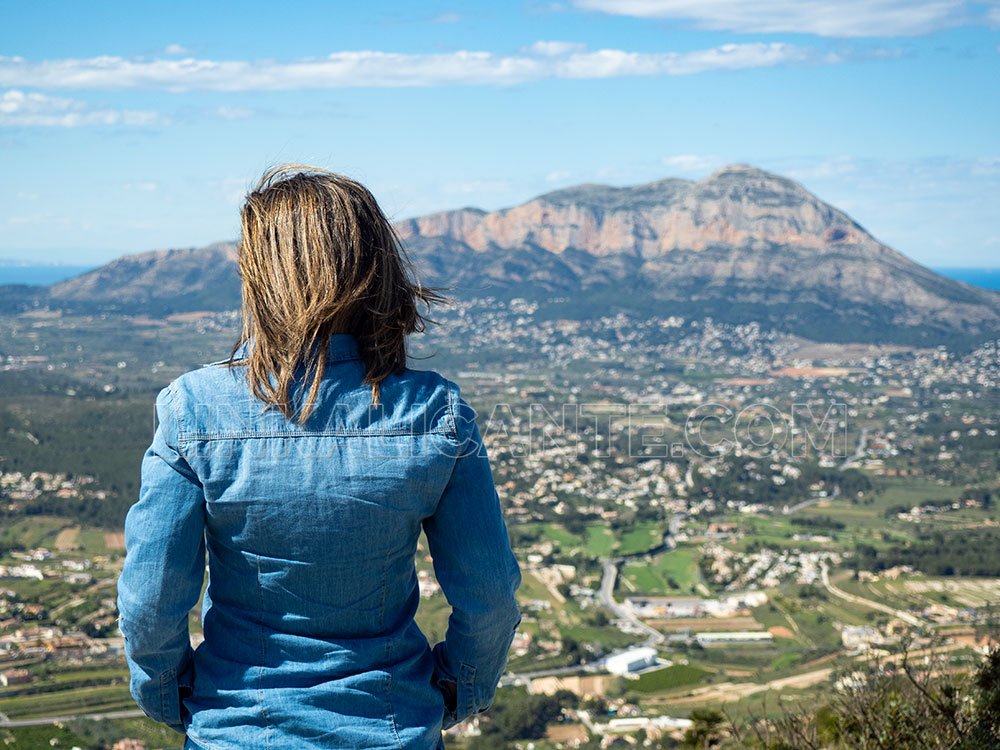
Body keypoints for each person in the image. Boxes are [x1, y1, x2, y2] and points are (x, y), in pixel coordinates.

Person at [116, 165, 522, 750]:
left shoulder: (194, 409)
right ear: (376, 271)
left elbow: (152, 600)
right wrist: (459, 689)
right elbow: (490, 595)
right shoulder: (435, 411)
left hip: (237, 729)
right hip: (392, 726)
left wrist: (171, 697)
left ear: (260, 277)